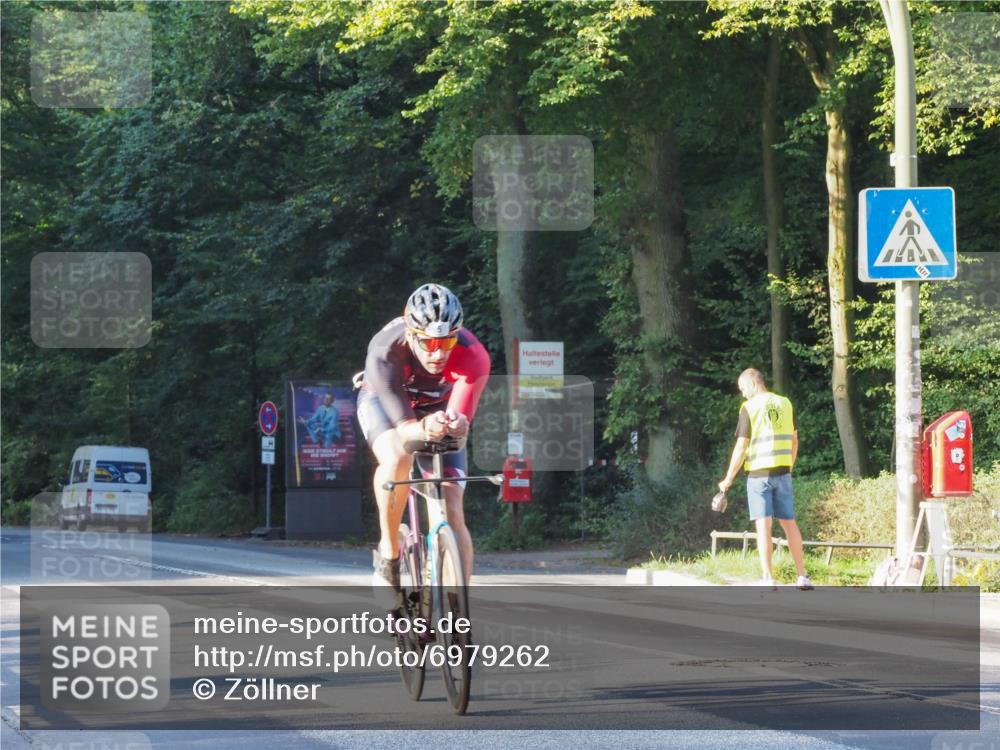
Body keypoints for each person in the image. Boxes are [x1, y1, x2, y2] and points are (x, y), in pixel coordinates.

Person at [356, 283, 491, 600]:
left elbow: (460, 423)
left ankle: (457, 611)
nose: (439, 352)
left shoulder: (474, 355)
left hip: (436, 406)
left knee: (451, 503)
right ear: (412, 335)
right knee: (398, 458)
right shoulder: (384, 353)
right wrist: (424, 427)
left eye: (447, 341)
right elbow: (406, 431)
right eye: (430, 343)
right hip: (386, 404)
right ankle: (389, 554)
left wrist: (456, 424)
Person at [718, 368, 813, 590]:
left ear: (753, 382)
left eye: (743, 388)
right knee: (790, 525)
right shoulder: (785, 403)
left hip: (759, 476)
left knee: (764, 526)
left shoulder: (749, 408)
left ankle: (768, 578)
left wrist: (728, 479)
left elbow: (742, 446)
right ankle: (802, 576)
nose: (742, 394)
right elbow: (795, 440)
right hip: (783, 472)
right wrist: (789, 466)